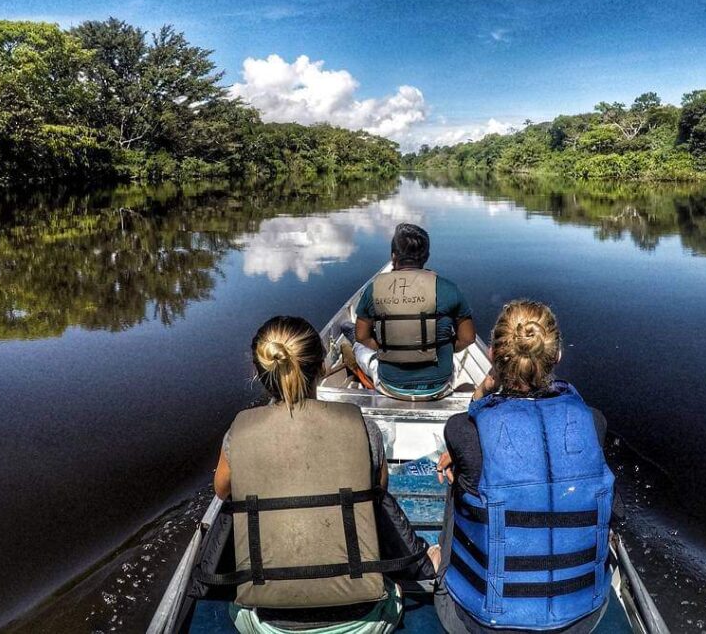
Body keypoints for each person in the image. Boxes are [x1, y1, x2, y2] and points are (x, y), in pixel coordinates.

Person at [212, 316, 440, 634]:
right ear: (321, 367)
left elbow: (223, 491)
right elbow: (377, 493)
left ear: (259, 372)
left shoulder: (237, 434)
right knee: (393, 588)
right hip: (363, 625)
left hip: (270, 626)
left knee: (234, 602)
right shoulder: (364, 428)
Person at [432, 301, 617, 634]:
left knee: (456, 476)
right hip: (583, 619)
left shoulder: (461, 431)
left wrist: (486, 386)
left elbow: (473, 415)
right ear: (556, 356)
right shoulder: (594, 422)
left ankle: (438, 562)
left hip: (482, 623)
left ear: (492, 355)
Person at [349, 223, 476, 399]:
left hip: (390, 386)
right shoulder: (449, 288)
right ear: (426, 257)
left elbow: (362, 336)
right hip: (439, 387)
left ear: (393, 256)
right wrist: (444, 348)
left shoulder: (373, 289)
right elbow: (468, 338)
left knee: (357, 346)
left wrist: (384, 349)